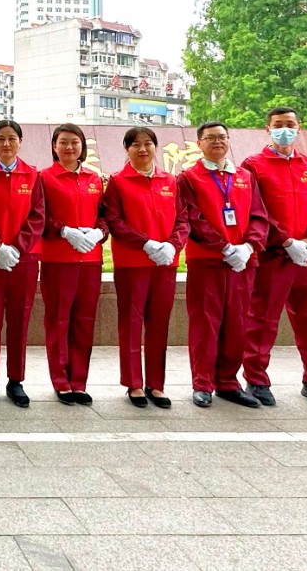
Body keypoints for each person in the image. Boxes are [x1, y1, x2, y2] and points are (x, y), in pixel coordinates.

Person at [240, 106, 307, 408]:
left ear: (299, 127)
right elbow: (255, 209)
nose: (285, 130)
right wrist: (284, 240)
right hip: (273, 255)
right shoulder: (253, 165)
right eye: (278, 124)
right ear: (268, 129)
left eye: (290, 124)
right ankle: (256, 379)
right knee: (262, 319)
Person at [179, 120, 267, 408]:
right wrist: (224, 247)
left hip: (242, 262)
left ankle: (228, 382)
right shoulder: (189, 178)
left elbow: (259, 215)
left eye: (222, 137)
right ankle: (202, 383)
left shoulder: (244, 176)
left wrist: (248, 246)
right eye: (210, 138)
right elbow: (192, 218)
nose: (217, 142)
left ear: (229, 141)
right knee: (205, 323)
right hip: (207, 261)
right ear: (199, 144)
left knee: (237, 323)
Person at [100, 126, 189, 408]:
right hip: (132, 263)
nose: (142, 149)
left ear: (155, 147)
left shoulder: (170, 181)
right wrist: (146, 243)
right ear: (126, 149)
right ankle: (134, 384)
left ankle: (156, 384)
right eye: (135, 144)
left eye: (148, 143)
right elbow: (114, 221)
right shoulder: (118, 181)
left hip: (164, 264)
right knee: (131, 323)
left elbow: (183, 219)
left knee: (159, 324)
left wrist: (173, 245)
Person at [0, 119, 45, 407]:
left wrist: (16, 248)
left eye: (12, 138)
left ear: (20, 142)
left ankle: (16, 380)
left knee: (19, 318)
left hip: (24, 259)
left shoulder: (32, 175)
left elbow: (38, 216)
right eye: (0, 138)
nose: (6, 143)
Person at [39, 123, 107, 406]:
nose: (69, 147)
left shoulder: (94, 179)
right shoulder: (44, 178)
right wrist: (64, 230)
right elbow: (39, 216)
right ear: (54, 147)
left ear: (83, 146)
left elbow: (104, 215)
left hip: (90, 259)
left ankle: (79, 381)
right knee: (58, 320)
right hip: (58, 259)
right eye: (63, 142)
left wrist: (99, 232)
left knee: (84, 320)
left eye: (74, 142)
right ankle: (61, 380)